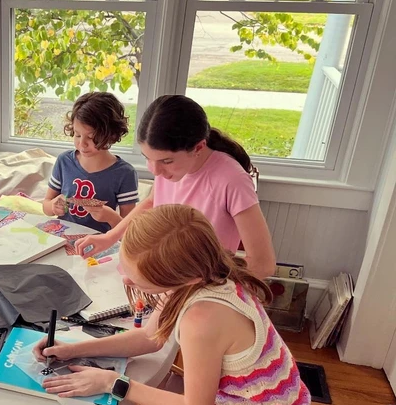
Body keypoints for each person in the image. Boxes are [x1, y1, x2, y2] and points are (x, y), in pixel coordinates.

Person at [35, 205, 311, 405]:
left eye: (137, 278)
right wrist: (72, 348)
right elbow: (149, 339)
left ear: (182, 277)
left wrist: (114, 383)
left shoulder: (203, 317)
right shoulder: (203, 274)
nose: (125, 279)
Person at [75, 95, 275, 279]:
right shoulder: (169, 168)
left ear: (198, 147)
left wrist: (190, 282)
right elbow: (152, 202)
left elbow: (263, 264)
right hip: (162, 278)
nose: (155, 171)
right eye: (147, 158)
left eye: (166, 161)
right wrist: (110, 238)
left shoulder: (232, 179)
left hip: (201, 289)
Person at [42, 92, 139, 233]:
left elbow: (129, 231)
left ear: (111, 135)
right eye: (77, 135)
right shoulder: (64, 161)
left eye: (91, 137)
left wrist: (111, 217)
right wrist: (53, 206)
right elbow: (46, 206)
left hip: (100, 241)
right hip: (61, 237)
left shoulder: (125, 173)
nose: (82, 144)